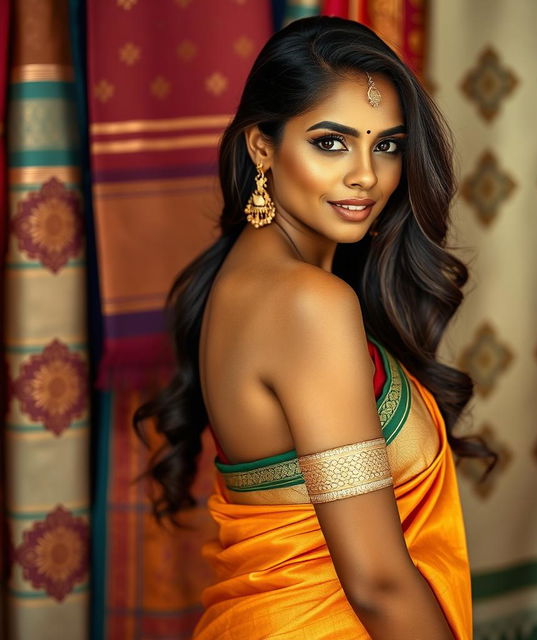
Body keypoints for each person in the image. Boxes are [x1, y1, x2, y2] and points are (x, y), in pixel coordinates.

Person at [134, 15, 493, 640]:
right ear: (262, 147)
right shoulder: (308, 303)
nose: (365, 174)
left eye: (387, 144)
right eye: (331, 142)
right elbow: (378, 585)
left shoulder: (245, 282)